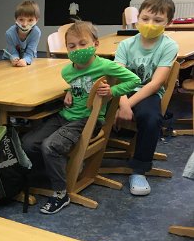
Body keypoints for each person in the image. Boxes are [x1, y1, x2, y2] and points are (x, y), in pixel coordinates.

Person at [21, 21, 140, 214]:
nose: (77, 49)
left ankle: (61, 194)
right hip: (66, 116)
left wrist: (112, 91)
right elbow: (77, 85)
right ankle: (57, 170)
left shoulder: (106, 66)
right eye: (72, 46)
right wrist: (68, 91)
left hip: (87, 120)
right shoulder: (67, 71)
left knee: (50, 146)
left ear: (95, 44)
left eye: (83, 44)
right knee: (27, 143)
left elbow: (134, 80)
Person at [114, 0, 179, 196]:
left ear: (169, 23)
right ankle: (87, 157)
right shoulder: (125, 45)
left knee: (151, 119)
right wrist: (122, 102)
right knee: (91, 107)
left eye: (158, 20)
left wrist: (127, 105)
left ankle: (140, 170)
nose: (150, 24)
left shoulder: (168, 46)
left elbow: (155, 83)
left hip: (148, 92)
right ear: (138, 18)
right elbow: (117, 78)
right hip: (122, 90)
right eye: (145, 18)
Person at [3, 0, 42, 67]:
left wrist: (25, 60)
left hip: (29, 60)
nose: (24, 24)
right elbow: (12, 52)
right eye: (21, 20)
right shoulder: (9, 33)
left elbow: (30, 52)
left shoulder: (36, 32)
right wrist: (14, 58)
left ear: (37, 20)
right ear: (15, 19)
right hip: (8, 61)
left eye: (30, 20)